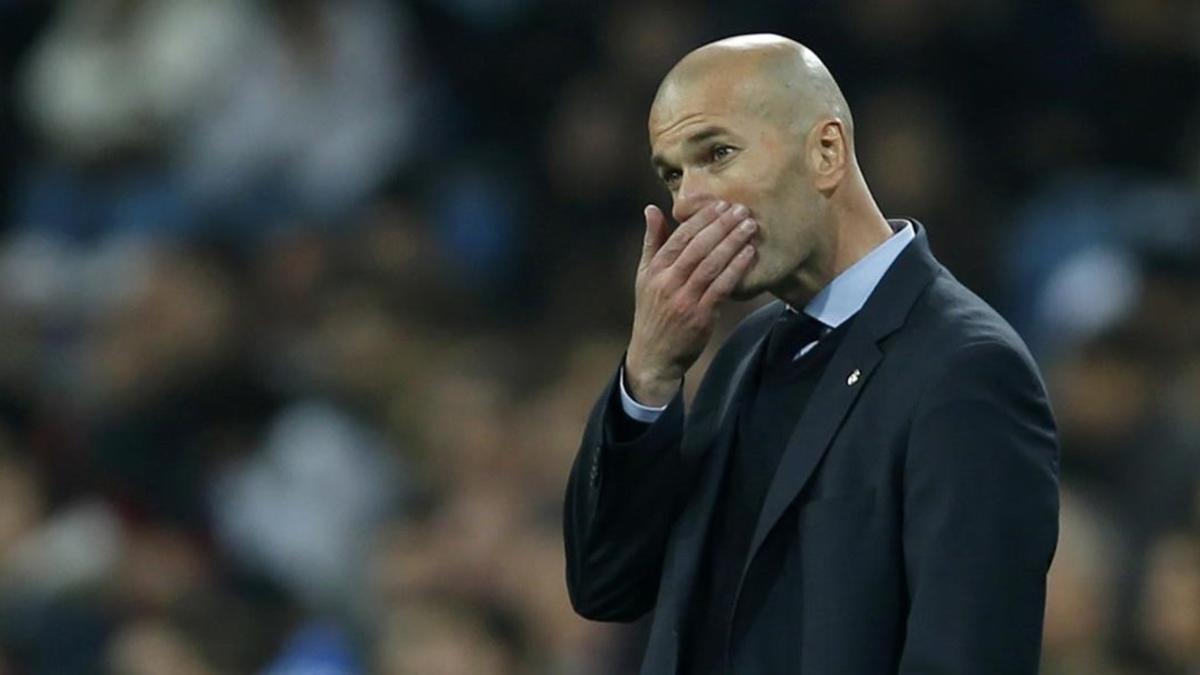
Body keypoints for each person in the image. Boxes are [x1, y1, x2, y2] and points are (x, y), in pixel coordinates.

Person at [562, 34, 1060, 674]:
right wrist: (651, 374)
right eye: (672, 174)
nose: (686, 202)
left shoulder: (965, 369)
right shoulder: (741, 356)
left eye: (717, 152)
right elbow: (606, 584)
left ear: (826, 152)